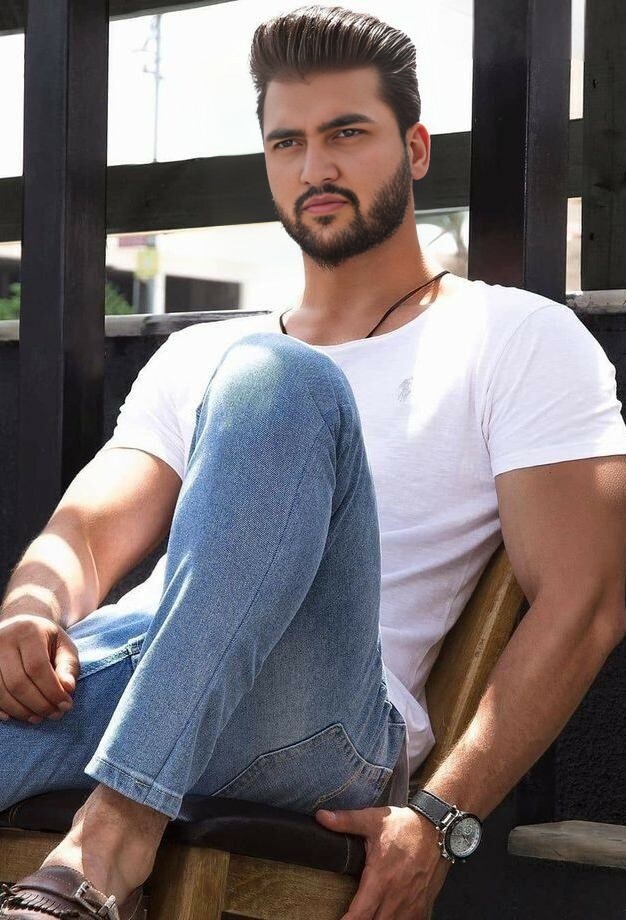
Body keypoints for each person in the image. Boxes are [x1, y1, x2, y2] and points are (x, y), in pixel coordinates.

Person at [2, 6, 626, 919]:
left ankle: (112, 836)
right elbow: (86, 537)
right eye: (287, 142)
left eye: (347, 134)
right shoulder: (195, 355)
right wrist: (28, 609)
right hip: (135, 678)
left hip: (319, 723)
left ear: (415, 149)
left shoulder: (517, 337)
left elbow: (586, 602)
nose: (314, 168)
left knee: (277, 379)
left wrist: (441, 816)